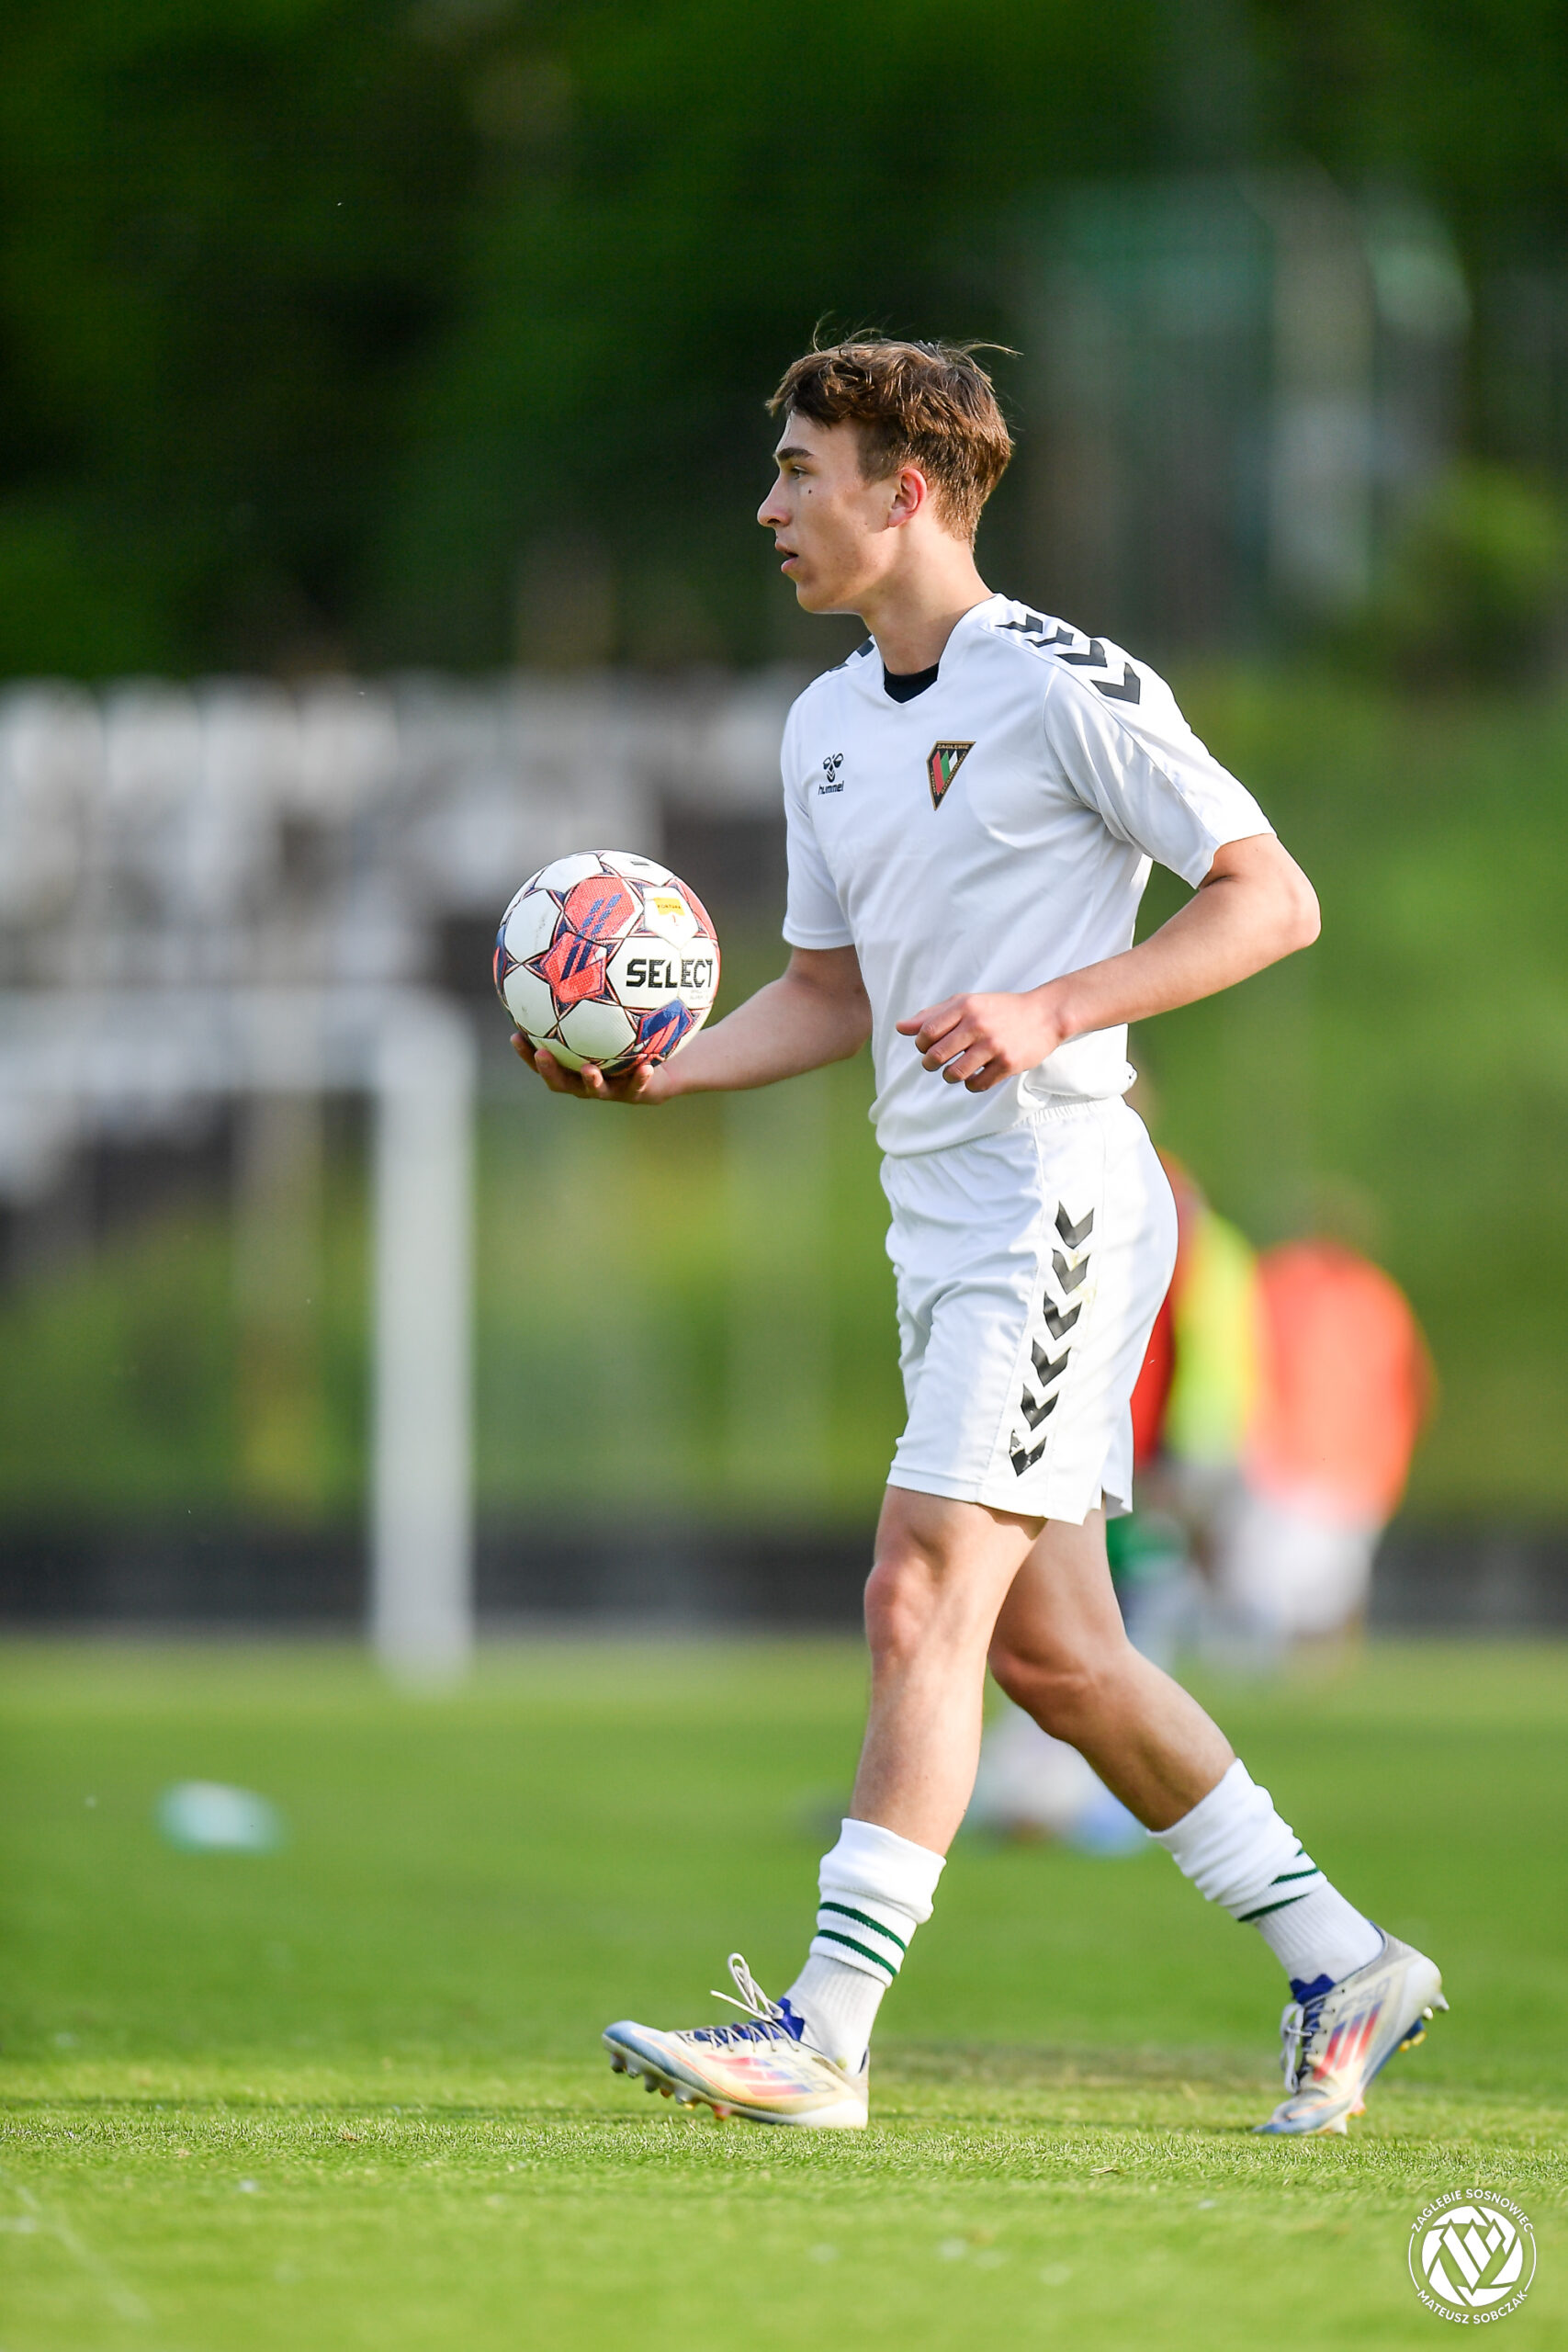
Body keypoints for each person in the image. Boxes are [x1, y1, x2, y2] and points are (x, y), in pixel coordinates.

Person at [513, 337, 1445, 2136]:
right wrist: (660, 1074)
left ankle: (824, 2034)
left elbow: (1271, 897)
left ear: (908, 489)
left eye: (799, 472)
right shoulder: (823, 726)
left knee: (917, 1586)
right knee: (1054, 1659)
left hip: (1055, 1195)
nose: (769, 507)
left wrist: (1053, 1005)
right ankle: (1341, 1958)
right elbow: (827, 992)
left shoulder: (1059, 683)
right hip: (937, 1222)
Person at [1211, 1238, 1432, 1654]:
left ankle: (1282, 1655)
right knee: (1315, 1585)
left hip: (1298, 1460)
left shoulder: (1280, 1287)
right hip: (1353, 1464)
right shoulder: (1378, 1298)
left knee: (1273, 1581)